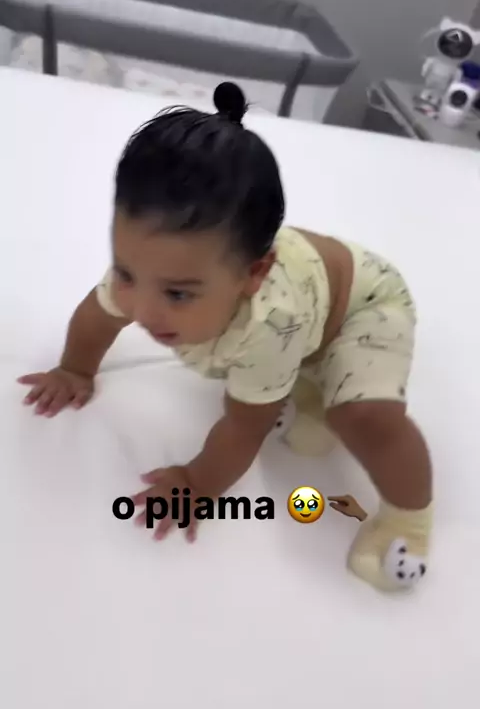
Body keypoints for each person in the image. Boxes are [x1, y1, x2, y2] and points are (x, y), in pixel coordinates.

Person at [17, 82, 433, 593]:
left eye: (178, 294)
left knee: (361, 416)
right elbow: (97, 316)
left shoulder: (267, 323)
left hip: (363, 307)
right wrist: (75, 369)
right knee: (295, 400)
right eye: (125, 274)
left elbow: (243, 429)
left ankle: (410, 519)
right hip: (308, 310)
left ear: (253, 275)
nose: (142, 309)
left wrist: (197, 483)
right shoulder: (150, 269)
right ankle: (310, 392)